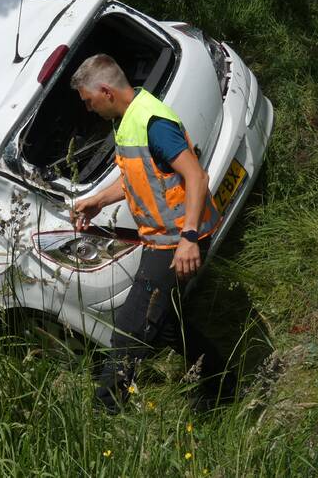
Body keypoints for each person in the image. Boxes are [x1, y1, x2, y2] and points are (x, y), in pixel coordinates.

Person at [70, 53, 231, 413]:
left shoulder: (153, 122)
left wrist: (189, 239)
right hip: (159, 239)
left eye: (89, 100)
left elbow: (196, 177)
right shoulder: (127, 120)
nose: (89, 109)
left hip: (178, 242)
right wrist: (99, 199)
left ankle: (105, 413)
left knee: (128, 331)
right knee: (164, 324)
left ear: (106, 91)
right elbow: (140, 178)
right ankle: (219, 380)